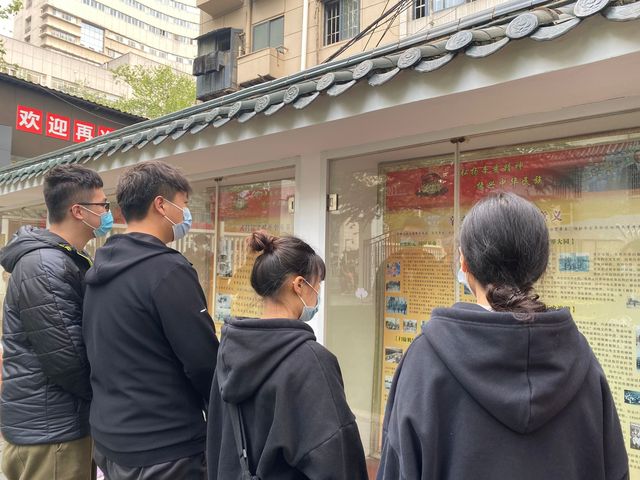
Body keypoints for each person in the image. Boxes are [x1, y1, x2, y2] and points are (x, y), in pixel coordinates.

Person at [377, 192, 629, 480]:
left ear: (464, 263)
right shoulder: (581, 361)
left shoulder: (425, 360)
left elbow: (398, 467)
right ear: (540, 266)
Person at [82, 160, 219, 479]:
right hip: (164, 447)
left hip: (110, 439)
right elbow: (203, 363)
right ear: (161, 205)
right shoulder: (168, 270)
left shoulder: (100, 268)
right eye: (183, 204)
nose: (185, 214)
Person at [206, 231, 368, 480]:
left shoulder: (229, 351)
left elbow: (217, 440)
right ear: (299, 285)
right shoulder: (312, 361)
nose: (318, 294)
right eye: (317, 285)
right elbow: (336, 459)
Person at [0, 164, 112, 480]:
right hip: (52, 433)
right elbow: (67, 359)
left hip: (55, 425)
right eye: (102, 205)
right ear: (78, 211)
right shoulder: (44, 265)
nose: (106, 213)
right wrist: (108, 396)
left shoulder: (62, 258)